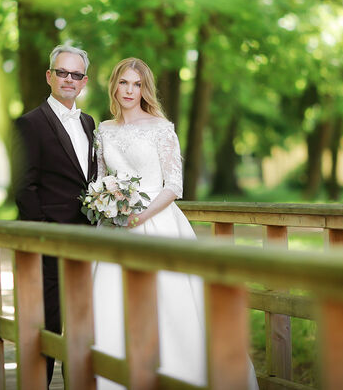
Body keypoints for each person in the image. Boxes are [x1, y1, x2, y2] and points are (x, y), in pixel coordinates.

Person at [92, 57, 258, 389]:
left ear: (145, 89)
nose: (129, 90)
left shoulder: (161, 128)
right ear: (114, 85)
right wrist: (104, 203)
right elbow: (99, 179)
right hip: (114, 229)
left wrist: (139, 216)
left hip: (157, 222)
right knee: (111, 306)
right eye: (124, 82)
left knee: (171, 306)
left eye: (137, 84)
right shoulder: (104, 130)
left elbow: (173, 186)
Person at [12, 44, 96, 386]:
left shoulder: (89, 123)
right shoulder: (29, 123)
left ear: (84, 81)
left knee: (83, 328)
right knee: (46, 329)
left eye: (76, 75)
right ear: (49, 76)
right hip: (48, 245)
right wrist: (45, 235)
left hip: (88, 244)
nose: (69, 80)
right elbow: (23, 187)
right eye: (62, 72)